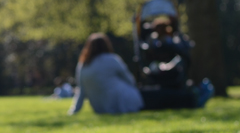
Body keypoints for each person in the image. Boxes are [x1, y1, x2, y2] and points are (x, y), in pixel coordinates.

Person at [68, 33, 213, 115]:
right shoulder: (111, 59)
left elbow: (81, 93)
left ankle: (194, 95)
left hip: (103, 109)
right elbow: (129, 79)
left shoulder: (83, 66)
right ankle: (195, 98)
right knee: (162, 95)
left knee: (160, 97)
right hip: (127, 101)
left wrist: (73, 112)